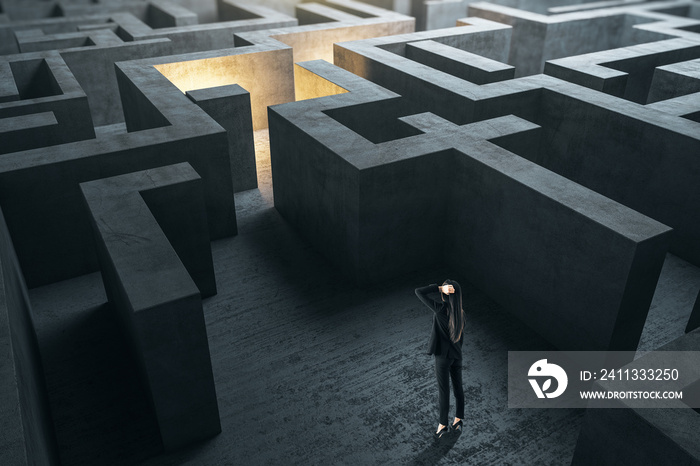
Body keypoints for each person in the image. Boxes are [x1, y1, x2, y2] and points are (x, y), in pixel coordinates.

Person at [415, 280, 465, 439]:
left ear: (444, 294)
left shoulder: (440, 309)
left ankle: (442, 424)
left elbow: (418, 291)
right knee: (458, 388)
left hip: (443, 358)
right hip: (457, 356)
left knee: (444, 391)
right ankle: (458, 419)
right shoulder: (461, 313)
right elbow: (461, 338)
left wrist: (437, 287)